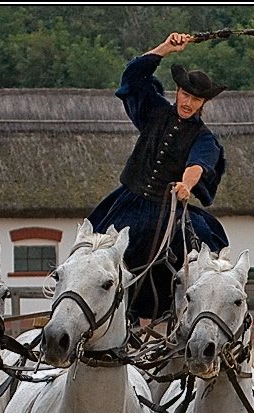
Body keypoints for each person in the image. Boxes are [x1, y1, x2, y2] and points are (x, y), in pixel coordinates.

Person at [86, 32, 230, 325]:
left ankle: (190, 324)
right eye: (185, 95)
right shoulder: (154, 110)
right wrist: (166, 48)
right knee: (94, 255)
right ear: (177, 92)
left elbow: (199, 163)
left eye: (196, 99)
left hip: (169, 210)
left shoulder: (204, 138)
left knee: (199, 257)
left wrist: (186, 186)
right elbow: (132, 77)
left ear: (204, 103)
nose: (188, 102)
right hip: (128, 204)